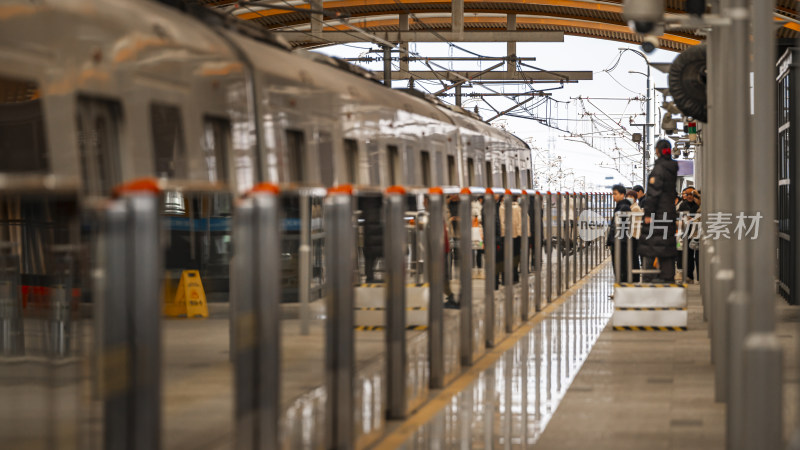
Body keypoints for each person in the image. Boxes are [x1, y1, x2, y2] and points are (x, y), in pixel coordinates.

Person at [638, 139, 679, 283]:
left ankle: (649, 279)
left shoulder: (659, 169)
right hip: (669, 214)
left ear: (658, 151)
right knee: (667, 249)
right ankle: (668, 279)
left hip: (658, 216)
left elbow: (653, 194)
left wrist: (648, 214)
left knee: (651, 247)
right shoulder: (671, 168)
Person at [607, 184, 632, 282]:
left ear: (622, 195)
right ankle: (620, 286)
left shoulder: (624, 207)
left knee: (620, 266)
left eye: (615, 194)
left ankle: (622, 286)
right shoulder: (619, 207)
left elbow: (621, 227)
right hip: (618, 240)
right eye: (613, 194)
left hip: (620, 241)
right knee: (618, 266)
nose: (613, 196)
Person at [626, 189, 643, 282]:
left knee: (634, 257)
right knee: (633, 257)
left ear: (635, 198)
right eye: (627, 197)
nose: (629, 198)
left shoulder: (635, 208)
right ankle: (634, 277)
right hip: (633, 235)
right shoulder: (632, 207)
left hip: (634, 235)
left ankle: (635, 278)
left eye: (631, 197)